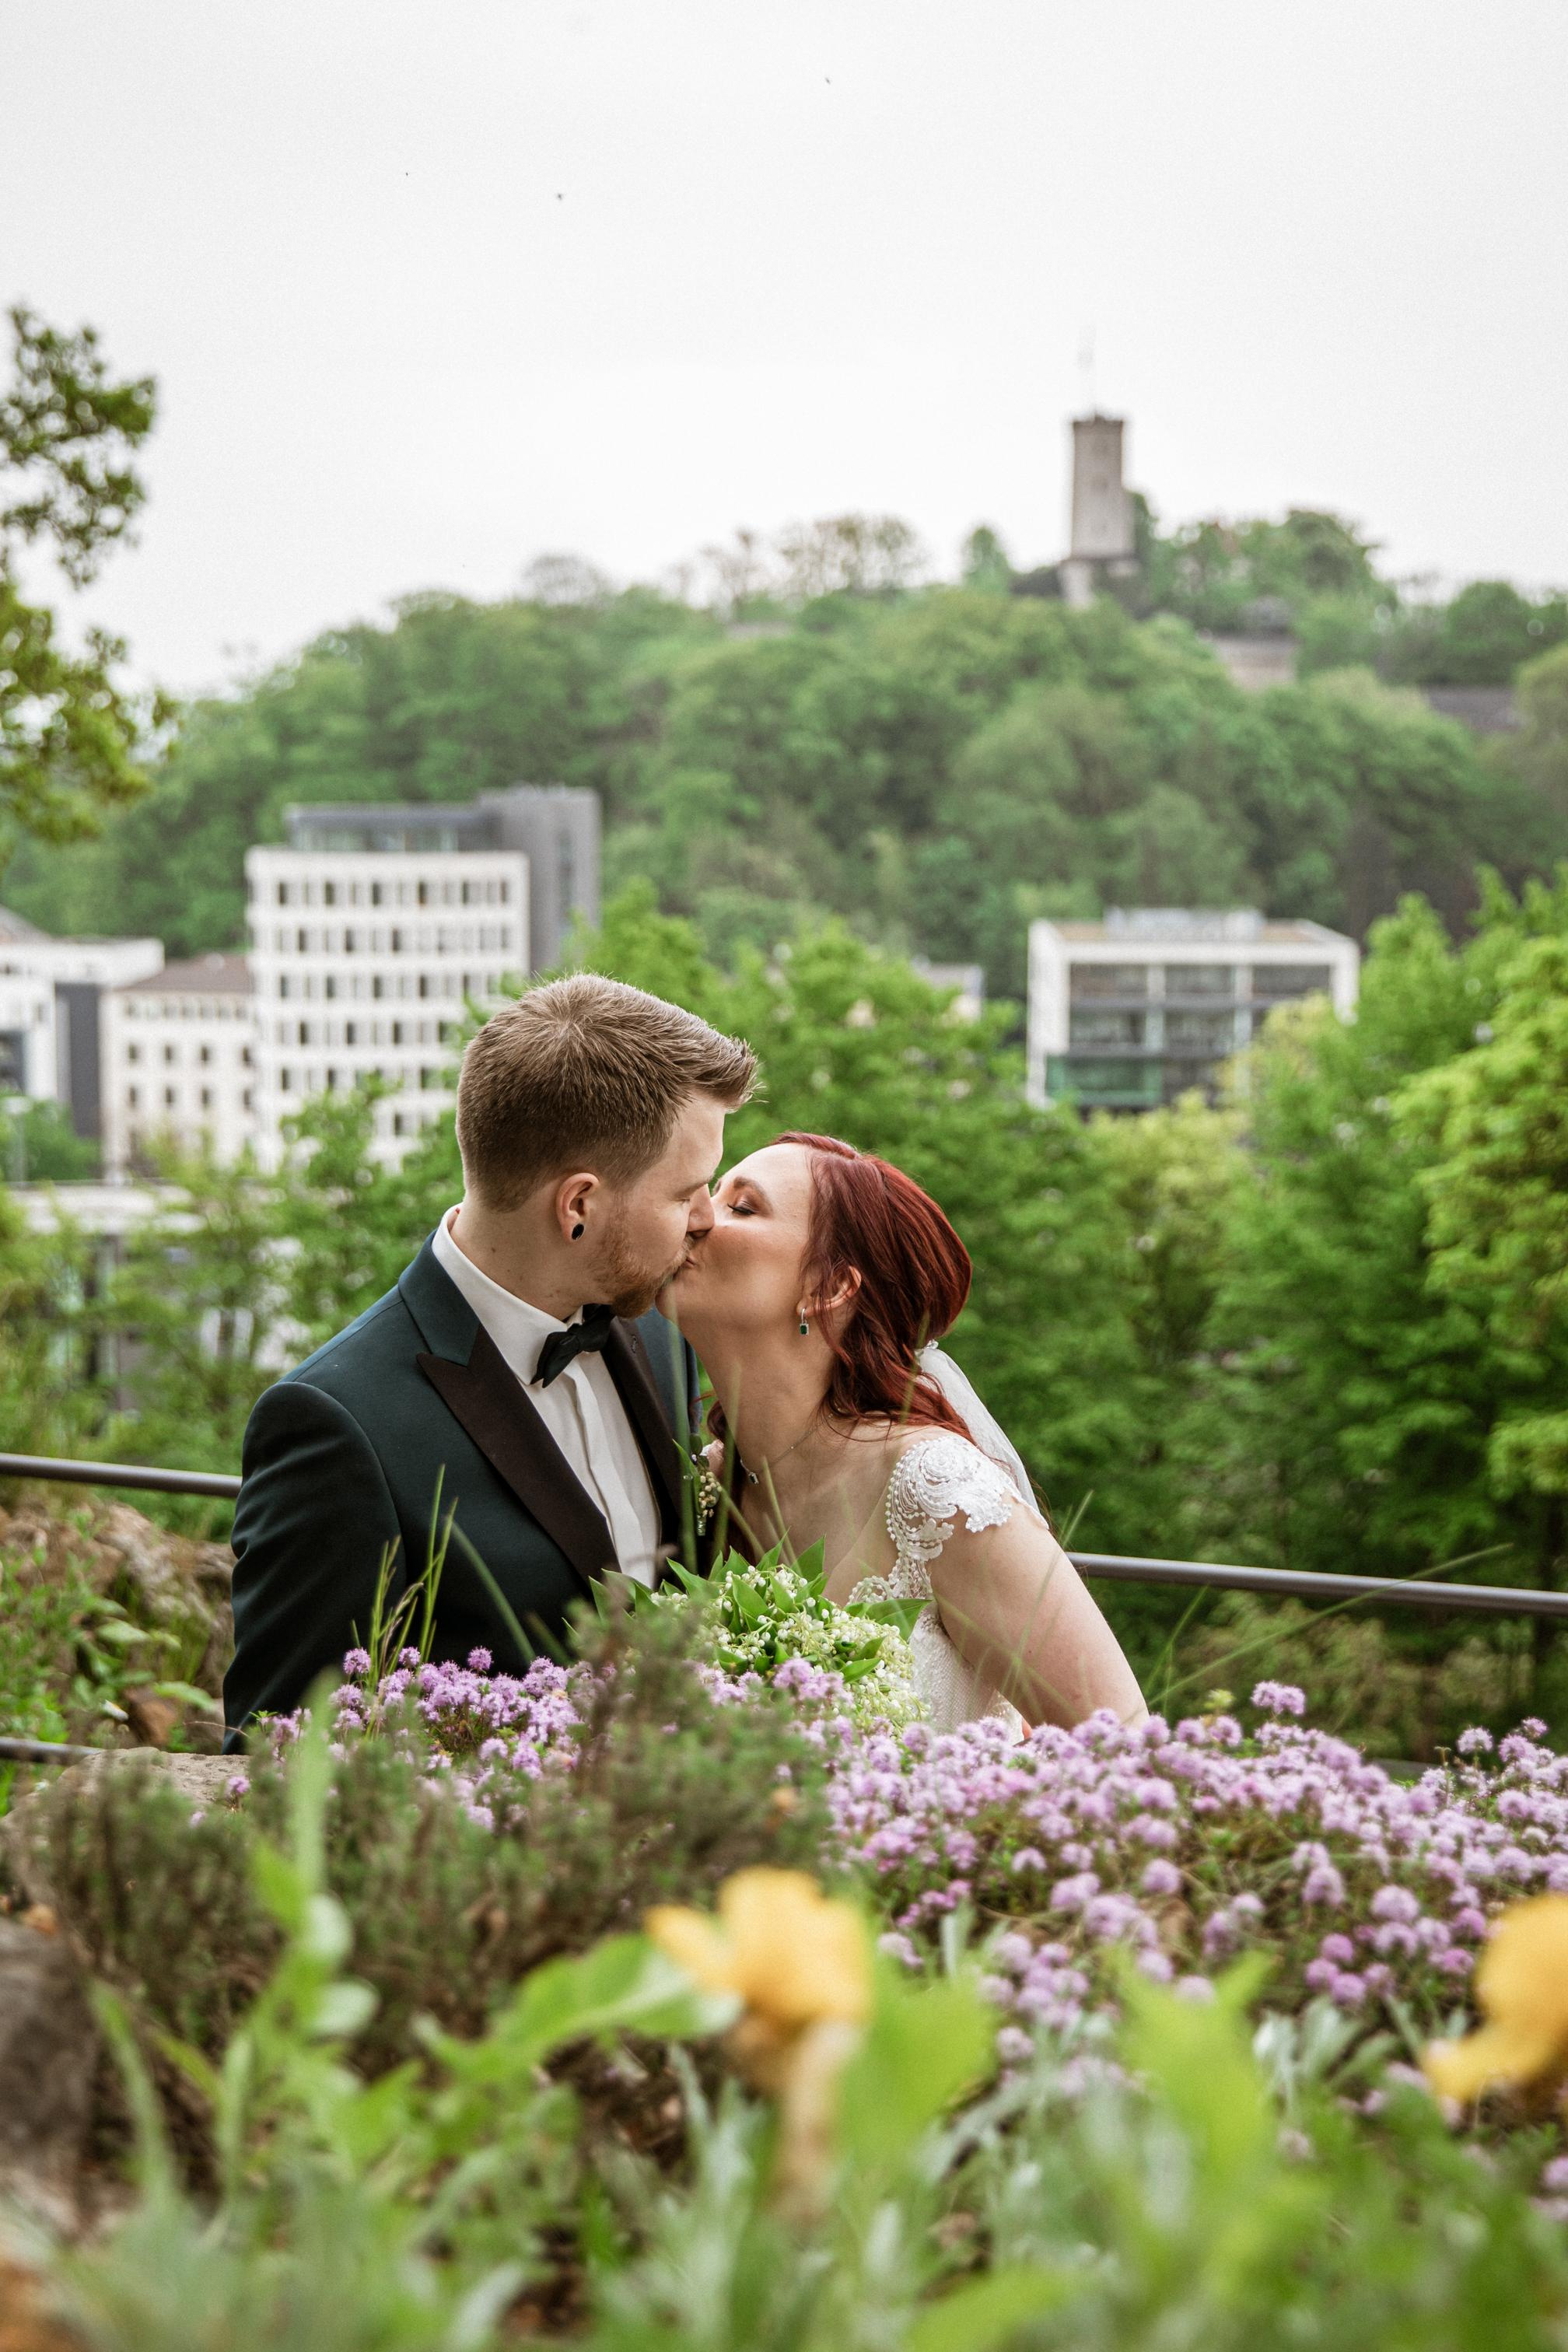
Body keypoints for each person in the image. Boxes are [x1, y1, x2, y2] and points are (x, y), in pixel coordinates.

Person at [222, 975, 756, 1745]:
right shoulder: (337, 1426)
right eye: (686, 1193)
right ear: (579, 1205)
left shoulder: (664, 1336)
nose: (707, 1218)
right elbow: (278, 1752)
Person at [667, 1130, 1146, 1734]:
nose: (697, 1214)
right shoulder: (705, 1488)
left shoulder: (936, 1489)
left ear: (829, 1288)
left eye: (742, 1206)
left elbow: (1121, 1742)